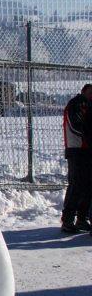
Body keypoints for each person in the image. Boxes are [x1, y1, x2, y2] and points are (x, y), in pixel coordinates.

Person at [61, 83, 92, 233]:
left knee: (88, 186)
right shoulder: (76, 104)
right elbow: (76, 126)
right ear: (83, 91)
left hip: (87, 150)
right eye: (90, 92)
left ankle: (81, 218)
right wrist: (88, 137)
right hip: (77, 150)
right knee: (76, 185)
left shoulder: (87, 105)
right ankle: (68, 220)